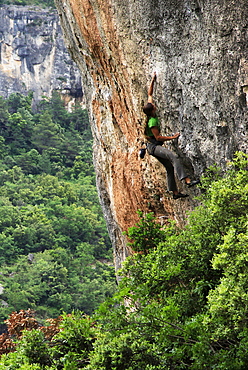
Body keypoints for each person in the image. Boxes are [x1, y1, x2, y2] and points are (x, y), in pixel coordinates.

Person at [143, 72, 200, 199]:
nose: (154, 105)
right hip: (153, 147)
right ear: (152, 109)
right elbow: (158, 138)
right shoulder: (152, 122)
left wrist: (152, 80)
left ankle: (175, 193)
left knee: (169, 167)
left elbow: (149, 94)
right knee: (173, 156)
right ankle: (187, 181)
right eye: (153, 106)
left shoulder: (150, 113)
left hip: (152, 147)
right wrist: (172, 137)